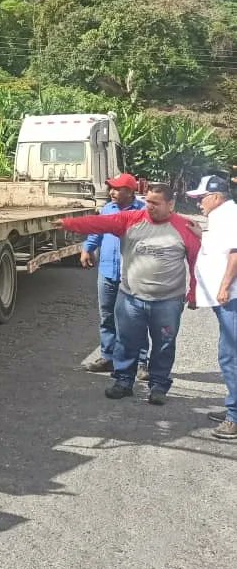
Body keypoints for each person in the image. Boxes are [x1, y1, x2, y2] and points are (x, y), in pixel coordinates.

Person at [55, 184, 200, 405]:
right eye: (148, 201)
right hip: (131, 298)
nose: (149, 207)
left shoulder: (185, 227)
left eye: (155, 203)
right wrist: (68, 223)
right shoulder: (130, 219)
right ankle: (123, 381)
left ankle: (158, 386)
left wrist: (194, 293)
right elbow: (99, 223)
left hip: (168, 301)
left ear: (171, 204)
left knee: (164, 344)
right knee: (126, 341)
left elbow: (196, 262)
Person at [80, 173, 148, 377]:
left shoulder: (143, 212)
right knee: (107, 316)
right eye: (111, 188)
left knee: (136, 318)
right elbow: (96, 232)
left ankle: (142, 362)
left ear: (130, 192)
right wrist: (87, 249)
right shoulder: (107, 209)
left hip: (133, 274)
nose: (112, 192)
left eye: (117, 189)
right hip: (107, 272)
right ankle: (108, 357)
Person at [186, 175, 237, 441]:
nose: (198, 203)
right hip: (225, 297)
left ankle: (235, 417)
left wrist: (226, 286)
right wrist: (200, 233)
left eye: (201, 198)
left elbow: (235, 253)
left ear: (216, 196)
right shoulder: (221, 215)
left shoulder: (229, 215)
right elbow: (220, 245)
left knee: (232, 356)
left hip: (231, 298)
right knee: (228, 354)